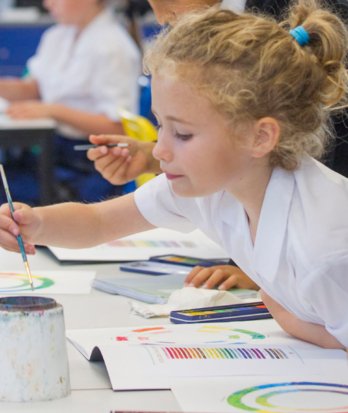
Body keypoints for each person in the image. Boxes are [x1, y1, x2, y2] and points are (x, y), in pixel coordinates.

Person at [0, 1, 347, 349]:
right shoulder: (217, 185)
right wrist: (37, 224)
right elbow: (99, 222)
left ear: (259, 137)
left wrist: (287, 318)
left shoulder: (324, 250)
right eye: (160, 125)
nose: (158, 150)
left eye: (182, 134)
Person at [87, 0, 348, 288]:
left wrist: (269, 273)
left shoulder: (313, 18)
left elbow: (319, 147)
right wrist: (155, 155)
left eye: (183, 133)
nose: (160, 18)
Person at [0, 0, 141, 201]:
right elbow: (33, 88)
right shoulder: (57, 36)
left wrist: (54, 111)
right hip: (47, 155)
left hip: (84, 165)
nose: (48, 4)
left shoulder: (113, 47)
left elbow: (118, 128)